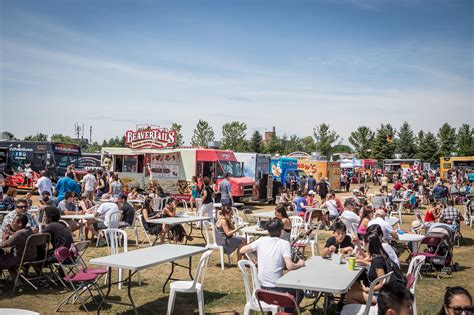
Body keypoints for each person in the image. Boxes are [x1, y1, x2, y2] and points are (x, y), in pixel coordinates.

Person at [239, 218, 304, 307]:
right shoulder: (284, 243)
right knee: (299, 292)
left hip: (260, 288)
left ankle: (277, 310)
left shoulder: (261, 240)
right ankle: (285, 311)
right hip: (276, 288)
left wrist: (256, 257)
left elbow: (242, 250)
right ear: (281, 231)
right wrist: (299, 264)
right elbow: (289, 266)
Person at [346, 232, 404, 305]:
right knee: (355, 285)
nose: (362, 244)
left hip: (382, 295)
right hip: (386, 291)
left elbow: (381, 284)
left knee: (349, 296)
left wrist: (367, 290)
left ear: (368, 244)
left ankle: (367, 311)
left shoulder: (377, 260)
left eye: (363, 242)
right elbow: (373, 264)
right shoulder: (379, 255)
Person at [0, 214, 34, 280]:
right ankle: (17, 281)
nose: (12, 224)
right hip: (31, 256)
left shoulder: (19, 234)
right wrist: (10, 231)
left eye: (13, 222)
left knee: (1, 255)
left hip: (19, 258)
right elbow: (18, 235)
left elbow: (4, 245)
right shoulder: (29, 230)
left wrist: (4, 238)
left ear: (20, 224)